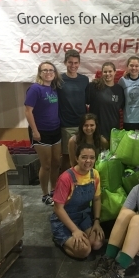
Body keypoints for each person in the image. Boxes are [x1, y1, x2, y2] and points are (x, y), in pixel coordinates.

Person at [50, 143, 104, 259]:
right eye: (84, 157)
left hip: (84, 216)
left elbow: (97, 198)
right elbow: (58, 208)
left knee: (97, 243)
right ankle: (60, 238)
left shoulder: (94, 174)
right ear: (76, 158)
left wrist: (96, 222)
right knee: (84, 250)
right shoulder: (66, 178)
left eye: (92, 157)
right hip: (64, 219)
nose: (88, 161)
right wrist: (75, 230)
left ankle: (77, 234)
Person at [24, 61, 63, 206]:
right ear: (40, 73)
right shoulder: (35, 89)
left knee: (56, 163)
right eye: (45, 70)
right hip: (41, 132)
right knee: (46, 165)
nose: (48, 72)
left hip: (55, 130)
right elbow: (28, 111)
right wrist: (35, 131)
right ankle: (45, 194)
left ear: (55, 72)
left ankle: (54, 190)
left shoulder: (53, 88)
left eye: (51, 70)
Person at [57, 49, 90, 171]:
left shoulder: (84, 80)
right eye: (70, 62)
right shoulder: (58, 79)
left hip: (82, 125)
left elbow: (87, 100)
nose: (73, 65)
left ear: (79, 64)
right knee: (67, 157)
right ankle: (65, 184)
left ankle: (81, 182)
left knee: (82, 155)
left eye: (76, 63)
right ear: (65, 63)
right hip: (66, 124)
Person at [86, 62, 125, 142]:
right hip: (97, 130)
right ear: (102, 73)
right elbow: (85, 102)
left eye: (110, 71)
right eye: (105, 72)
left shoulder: (119, 89)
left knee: (111, 154)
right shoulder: (93, 86)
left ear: (115, 72)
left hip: (113, 130)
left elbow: (121, 107)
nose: (108, 74)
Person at [118, 56, 139, 131]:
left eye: (136, 66)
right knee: (131, 143)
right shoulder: (122, 81)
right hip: (129, 120)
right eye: (131, 65)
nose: (134, 68)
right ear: (127, 67)